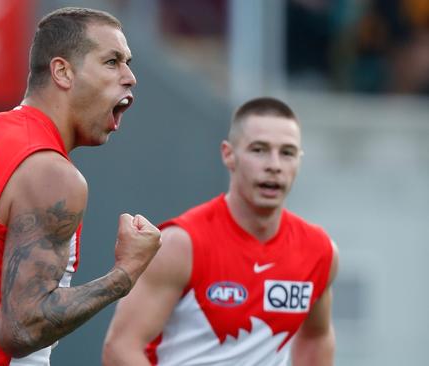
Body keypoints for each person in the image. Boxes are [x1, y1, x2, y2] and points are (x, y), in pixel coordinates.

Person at [0, 7, 161, 366]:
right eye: (112, 61)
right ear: (63, 72)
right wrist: (125, 274)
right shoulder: (50, 172)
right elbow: (21, 329)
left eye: (127, 62)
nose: (130, 77)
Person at [103, 97, 339, 366]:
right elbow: (121, 348)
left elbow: (316, 338)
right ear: (229, 154)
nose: (274, 165)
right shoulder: (182, 244)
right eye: (259, 149)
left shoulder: (319, 250)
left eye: (287, 152)